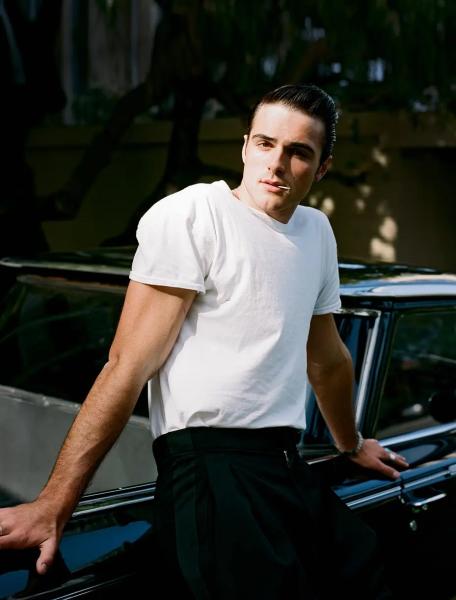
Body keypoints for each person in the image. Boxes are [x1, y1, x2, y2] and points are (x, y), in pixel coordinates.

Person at [0, 84, 408, 598]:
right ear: (245, 146)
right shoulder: (195, 214)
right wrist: (54, 504)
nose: (276, 163)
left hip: (286, 463)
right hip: (212, 471)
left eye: (298, 152)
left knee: (365, 570)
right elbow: (128, 365)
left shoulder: (316, 232)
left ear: (322, 168)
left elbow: (327, 360)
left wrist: (350, 443)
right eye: (265, 143)